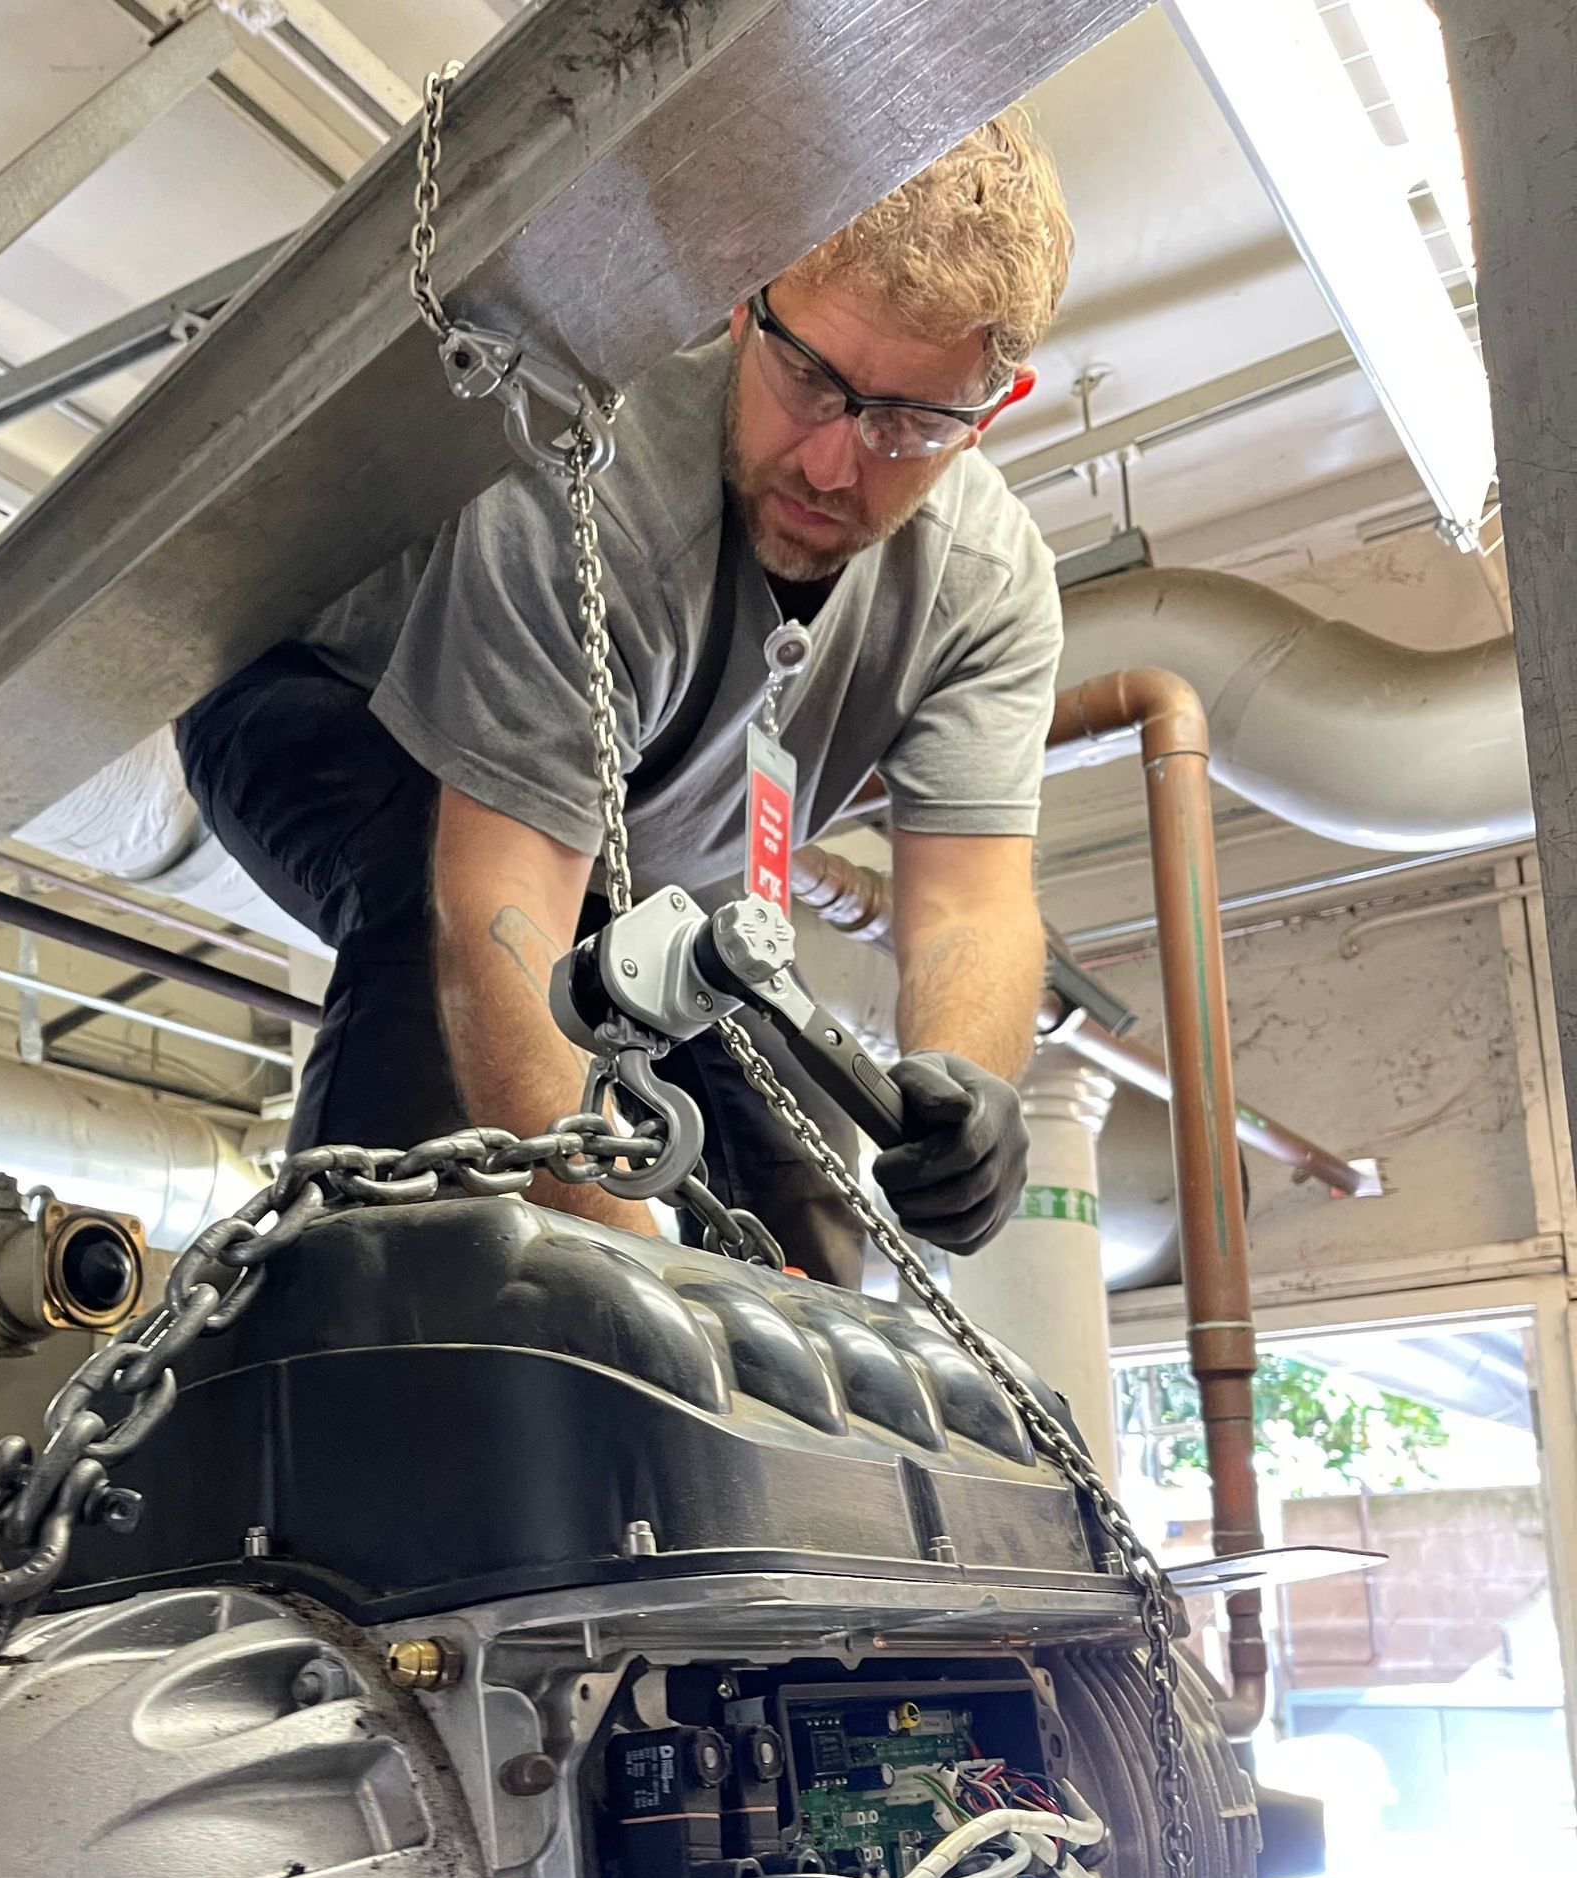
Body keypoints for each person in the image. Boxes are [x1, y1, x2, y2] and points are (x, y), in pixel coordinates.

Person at [177, 115, 1071, 1285]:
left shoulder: (988, 584)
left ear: (992, 409)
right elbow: (500, 897)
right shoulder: (591, 464)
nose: (831, 464)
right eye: (810, 379)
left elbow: (970, 906)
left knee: (802, 1150)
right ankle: (365, 1346)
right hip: (341, 712)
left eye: (910, 423)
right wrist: (623, 1273)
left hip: (642, 869)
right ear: (751, 299)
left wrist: (970, 1074)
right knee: (435, 919)